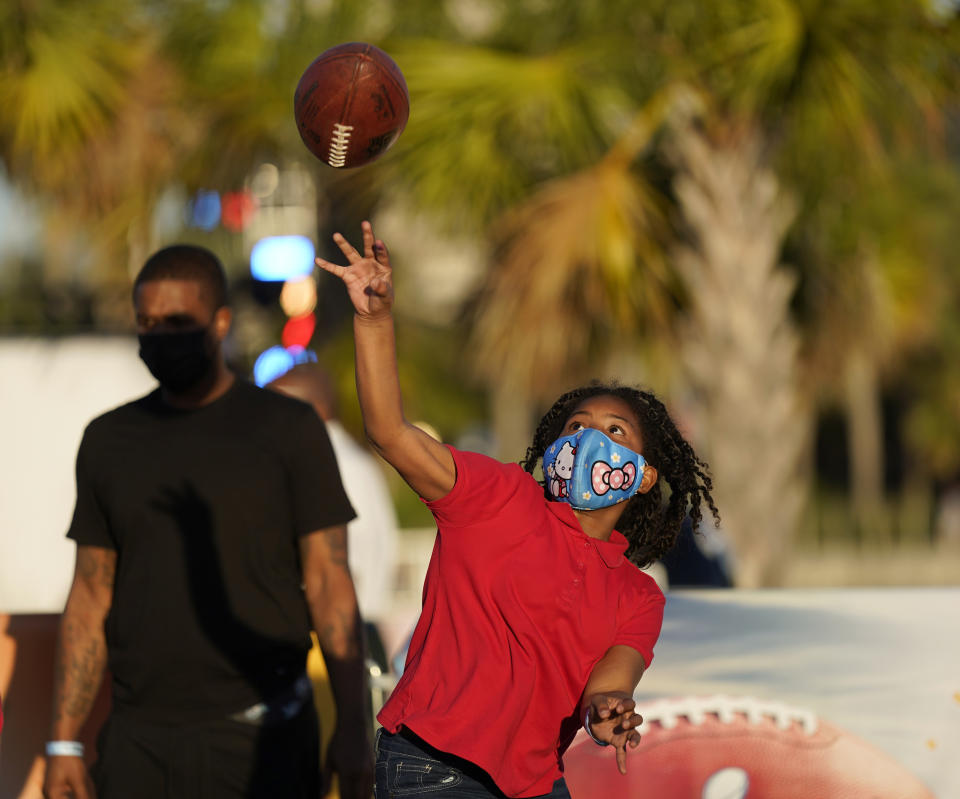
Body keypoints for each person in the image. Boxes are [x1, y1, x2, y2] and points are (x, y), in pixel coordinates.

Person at [316, 222, 720, 798]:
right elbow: (388, 431)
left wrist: (609, 711)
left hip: (533, 785)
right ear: (553, 446)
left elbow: (610, 683)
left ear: (644, 475)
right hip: (431, 768)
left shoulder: (638, 596)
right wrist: (374, 320)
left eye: (613, 431)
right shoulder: (495, 495)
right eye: (575, 427)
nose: (587, 441)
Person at [42, 245, 374, 799]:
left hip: (266, 739)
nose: (159, 337)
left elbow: (328, 580)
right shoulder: (108, 440)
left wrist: (353, 728)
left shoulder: (288, 430)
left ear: (220, 322)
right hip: (139, 742)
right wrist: (63, 743)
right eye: (146, 323)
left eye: (178, 322)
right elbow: (90, 594)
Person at [266, 363, 400, 625]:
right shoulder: (338, 457)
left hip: (342, 631)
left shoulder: (335, 462)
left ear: (316, 408)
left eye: (276, 405)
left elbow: (344, 565)